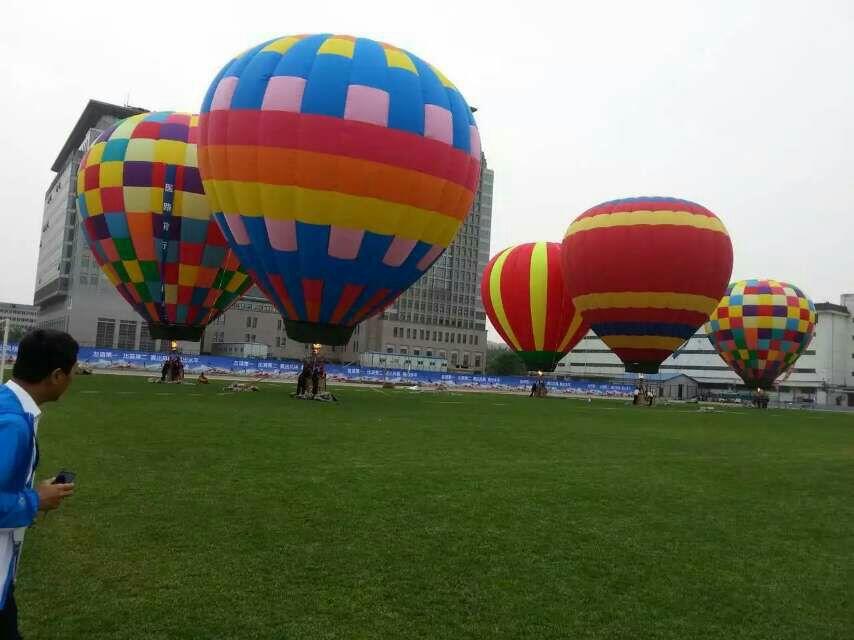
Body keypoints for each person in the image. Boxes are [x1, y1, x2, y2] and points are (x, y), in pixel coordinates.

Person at [1, 329, 78, 638]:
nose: (74, 379)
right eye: (72, 372)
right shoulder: (12, 423)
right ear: (57, 375)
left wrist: (34, 492)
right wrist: (35, 500)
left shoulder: (11, 406)